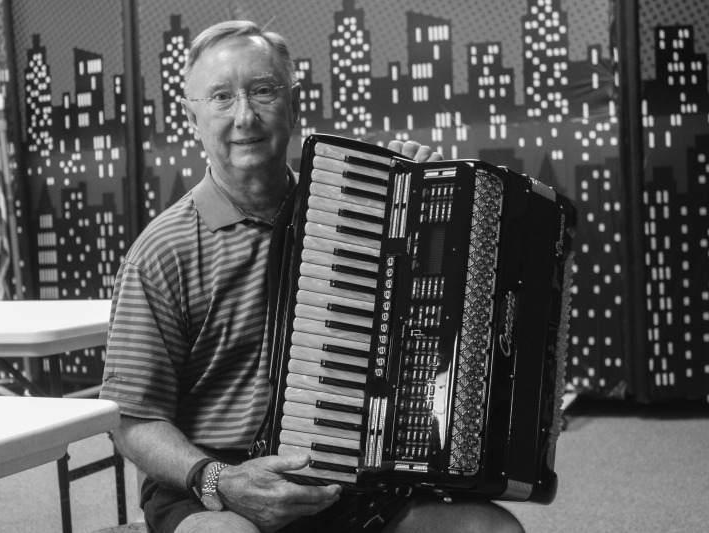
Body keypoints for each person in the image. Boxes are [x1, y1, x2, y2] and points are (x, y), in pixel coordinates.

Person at [100, 19, 524, 533]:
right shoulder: (161, 251)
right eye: (220, 97)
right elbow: (131, 419)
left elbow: (437, 323)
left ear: (294, 106)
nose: (245, 116)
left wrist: (428, 202)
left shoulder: (365, 210)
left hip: (349, 476)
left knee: (492, 531)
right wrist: (219, 479)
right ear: (193, 118)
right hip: (214, 481)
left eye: (262, 90)